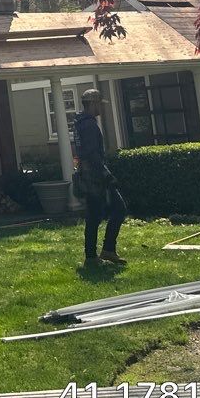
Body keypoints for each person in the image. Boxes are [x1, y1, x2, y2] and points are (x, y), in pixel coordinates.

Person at [73, 88, 126, 266]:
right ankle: (93, 256)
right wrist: (107, 175)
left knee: (96, 214)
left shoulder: (81, 123)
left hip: (90, 174)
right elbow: (92, 153)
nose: (101, 109)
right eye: (99, 105)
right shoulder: (88, 125)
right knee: (113, 210)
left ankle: (106, 251)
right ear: (93, 103)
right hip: (94, 176)